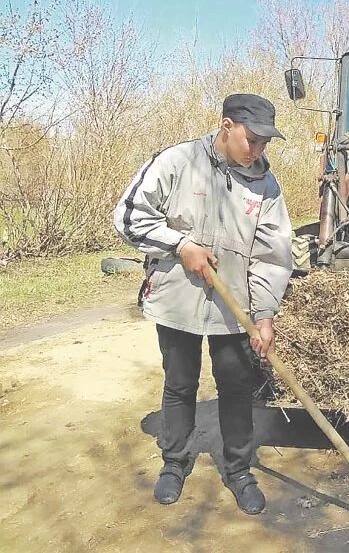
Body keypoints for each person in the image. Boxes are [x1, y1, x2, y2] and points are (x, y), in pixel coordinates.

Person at [113, 94, 293, 515]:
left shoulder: (265, 184)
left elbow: (273, 256)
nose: (258, 150)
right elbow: (127, 215)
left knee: (236, 386)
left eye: (265, 143)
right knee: (179, 383)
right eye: (252, 139)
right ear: (226, 125)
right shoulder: (177, 162)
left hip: (235, 310)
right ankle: (174, 463)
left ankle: (239, 469)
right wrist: (180, 245)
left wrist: (264, 315)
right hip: (178, 299)